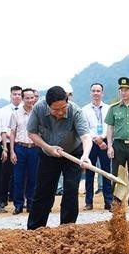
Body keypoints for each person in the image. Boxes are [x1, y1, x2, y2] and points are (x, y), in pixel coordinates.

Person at [26, 85, 92, 230]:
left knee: (71, 189)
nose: (60, 112)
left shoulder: (75, 111)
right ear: (47, 106)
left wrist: (85, 156)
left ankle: (67, 228)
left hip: (73, 153)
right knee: (43, 191)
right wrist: (48, 147)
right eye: (56, 110)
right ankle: (35, 229)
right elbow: (31, 133)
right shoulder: (39, 108)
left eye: (63, 108)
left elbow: (86, 136)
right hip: (48, 154)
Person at [105, 77, 129, 213]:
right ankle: (117, 203)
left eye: (126, 90)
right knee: (116, 175)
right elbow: (110, 128)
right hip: (118, 145)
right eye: (121, 90)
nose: (123, 92)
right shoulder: (113, 108)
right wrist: (109, 146)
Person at [82, 83, 113, 210]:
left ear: (102, 93)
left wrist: (103, 138)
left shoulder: (108, 108)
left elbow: (110, 126)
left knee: (106, 172)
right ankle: (89, 202)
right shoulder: (84, 110)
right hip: (91, 144)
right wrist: (97, 139)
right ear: (90, 93)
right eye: (93, 91)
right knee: (89, 172)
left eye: (98, 91)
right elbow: (84, 127)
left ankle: (108, 201)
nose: (96, 93)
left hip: (105, 143)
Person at [9, 88, 40, 214]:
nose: (30, 100)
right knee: (18, 178)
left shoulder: (38, 112)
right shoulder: (15, 113)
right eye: (27, 98)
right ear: (22, 99)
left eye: (32, 98)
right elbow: (12, 132)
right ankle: (18, 205)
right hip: (20, 148)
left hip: (34, 148)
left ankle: (31, 204)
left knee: (34, 178)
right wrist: (12, 151)